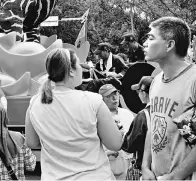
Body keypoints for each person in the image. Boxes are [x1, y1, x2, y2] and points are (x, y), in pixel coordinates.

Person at [25, 48, 123, 180]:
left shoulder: (35, 102)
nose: (82, 68)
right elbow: (115, 144)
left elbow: (31, 142)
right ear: (71, 71)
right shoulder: (92, 101)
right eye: (78, 64)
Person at [142, 17, 196, 180]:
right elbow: (153, 126)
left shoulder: (193, 80)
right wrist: (145, 165)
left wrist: (175, 176)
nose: (144, 43)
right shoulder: (156, 81)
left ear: (170, 45)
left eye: (151, 38)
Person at [99, 84, 134, 180]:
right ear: (102, 100)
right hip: (112, 162)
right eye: (109, 96)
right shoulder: (99, 118)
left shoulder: (127, 113)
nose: (114, 98)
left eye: (116, 94)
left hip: (130, 161)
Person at [122, 76, 153, 180]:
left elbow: (129, 146)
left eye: (138, 92)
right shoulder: (164, 111)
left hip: (145, 170)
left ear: (144, 93)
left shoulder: (143, 115)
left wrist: (122, 134)